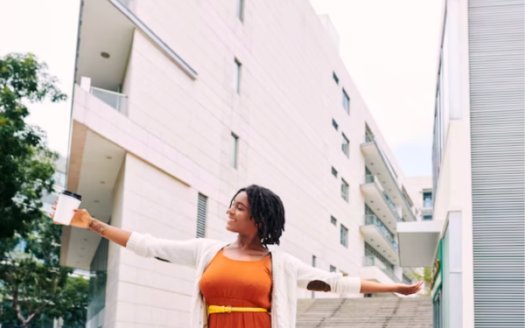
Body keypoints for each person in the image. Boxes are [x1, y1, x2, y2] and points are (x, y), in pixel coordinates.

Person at [50, 184, 422, 328]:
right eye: (231, 205)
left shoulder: (281, 264)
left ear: (259, 218)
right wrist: (94, 224)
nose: (230, 210)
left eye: (239, 207)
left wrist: (395, 289)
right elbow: (149, 244)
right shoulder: (206, 251)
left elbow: (339, 283)